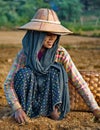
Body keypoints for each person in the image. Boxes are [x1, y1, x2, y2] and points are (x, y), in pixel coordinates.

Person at [4, 8, 100, 124]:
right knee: (24, 73)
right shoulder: (24, 54)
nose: (52, 39)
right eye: (48, 34)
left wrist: (95, 108)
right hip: (29, 102)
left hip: (50, 101)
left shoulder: (60, 53)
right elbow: (8, 84)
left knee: (55, 70)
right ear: (37, 34)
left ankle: (51, 110)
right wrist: (17, 108)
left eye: (56, 34)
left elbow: (78, 81)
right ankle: (27, 110)